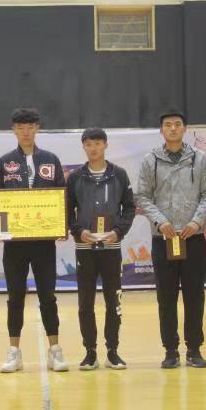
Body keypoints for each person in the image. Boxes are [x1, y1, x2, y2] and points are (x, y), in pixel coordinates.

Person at [135, 111, 206, 369]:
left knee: (195, 296)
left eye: (177, 124)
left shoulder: (199, 158)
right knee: (166, 297)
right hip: (164, 239)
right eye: (167, 125)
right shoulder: (150, 160)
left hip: (193, 238)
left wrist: (196, 222)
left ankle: (194, 349)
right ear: (161, 130)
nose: (172, 129)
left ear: (184, 129)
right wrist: (161, 222)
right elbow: (143, 196)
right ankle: (170, 350)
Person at [0, 107, 69, 373]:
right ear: (13, 130)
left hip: (43, 243)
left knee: (48, 295)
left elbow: (61, 196)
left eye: (30, 126)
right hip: (14, 244)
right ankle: (14, 352)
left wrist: (61, 225)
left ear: (38, 128)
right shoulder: (5, 162)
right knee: (15, 296)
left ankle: (55, 351)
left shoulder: (51, 160)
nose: (25, 131)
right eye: (20, 127)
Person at [66, 128, 136, 370]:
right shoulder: (75, 178)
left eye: (97, 143)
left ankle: (113, 351)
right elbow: (67, 212)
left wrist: (118, 231)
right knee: (85, 303)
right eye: (88, 144)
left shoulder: (120, 175)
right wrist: (79, 232)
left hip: (111, 247)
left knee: (113, 301)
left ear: (105, 145)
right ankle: (90, 352)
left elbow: (129, 208)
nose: (93, 148)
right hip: (85, 248)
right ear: (83, 147)